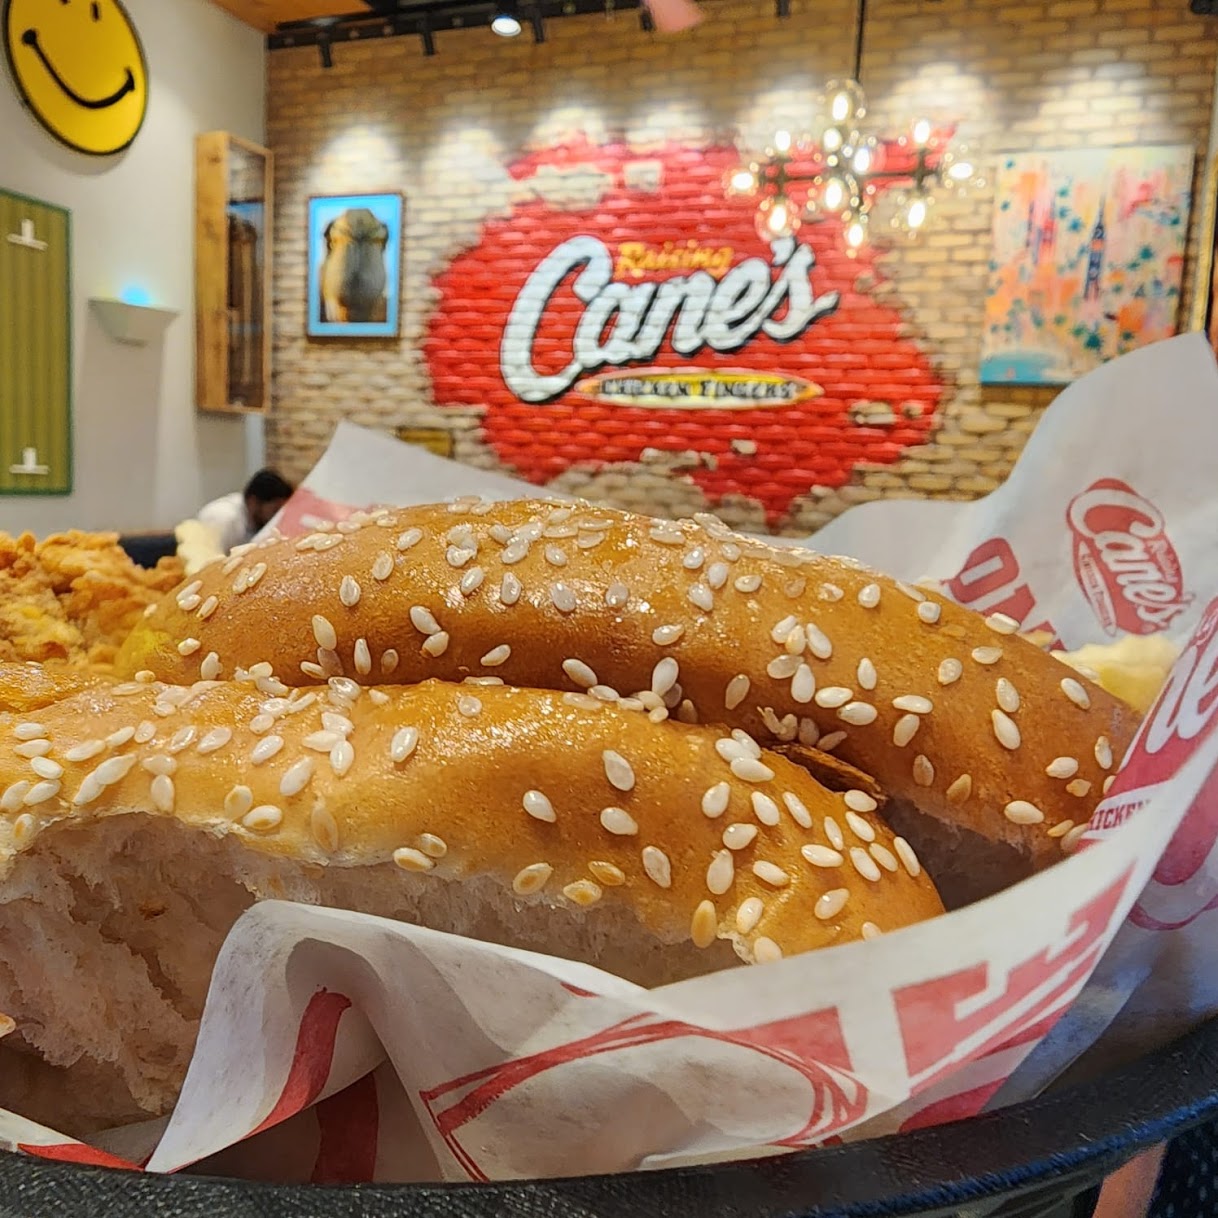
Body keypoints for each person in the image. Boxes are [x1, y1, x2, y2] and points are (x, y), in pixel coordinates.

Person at [194, 468, 293, 555]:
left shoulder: (255, 520)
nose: (277, 516)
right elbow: (207, 561)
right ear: (253, 502)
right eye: (275, 509)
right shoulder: (223, 518)